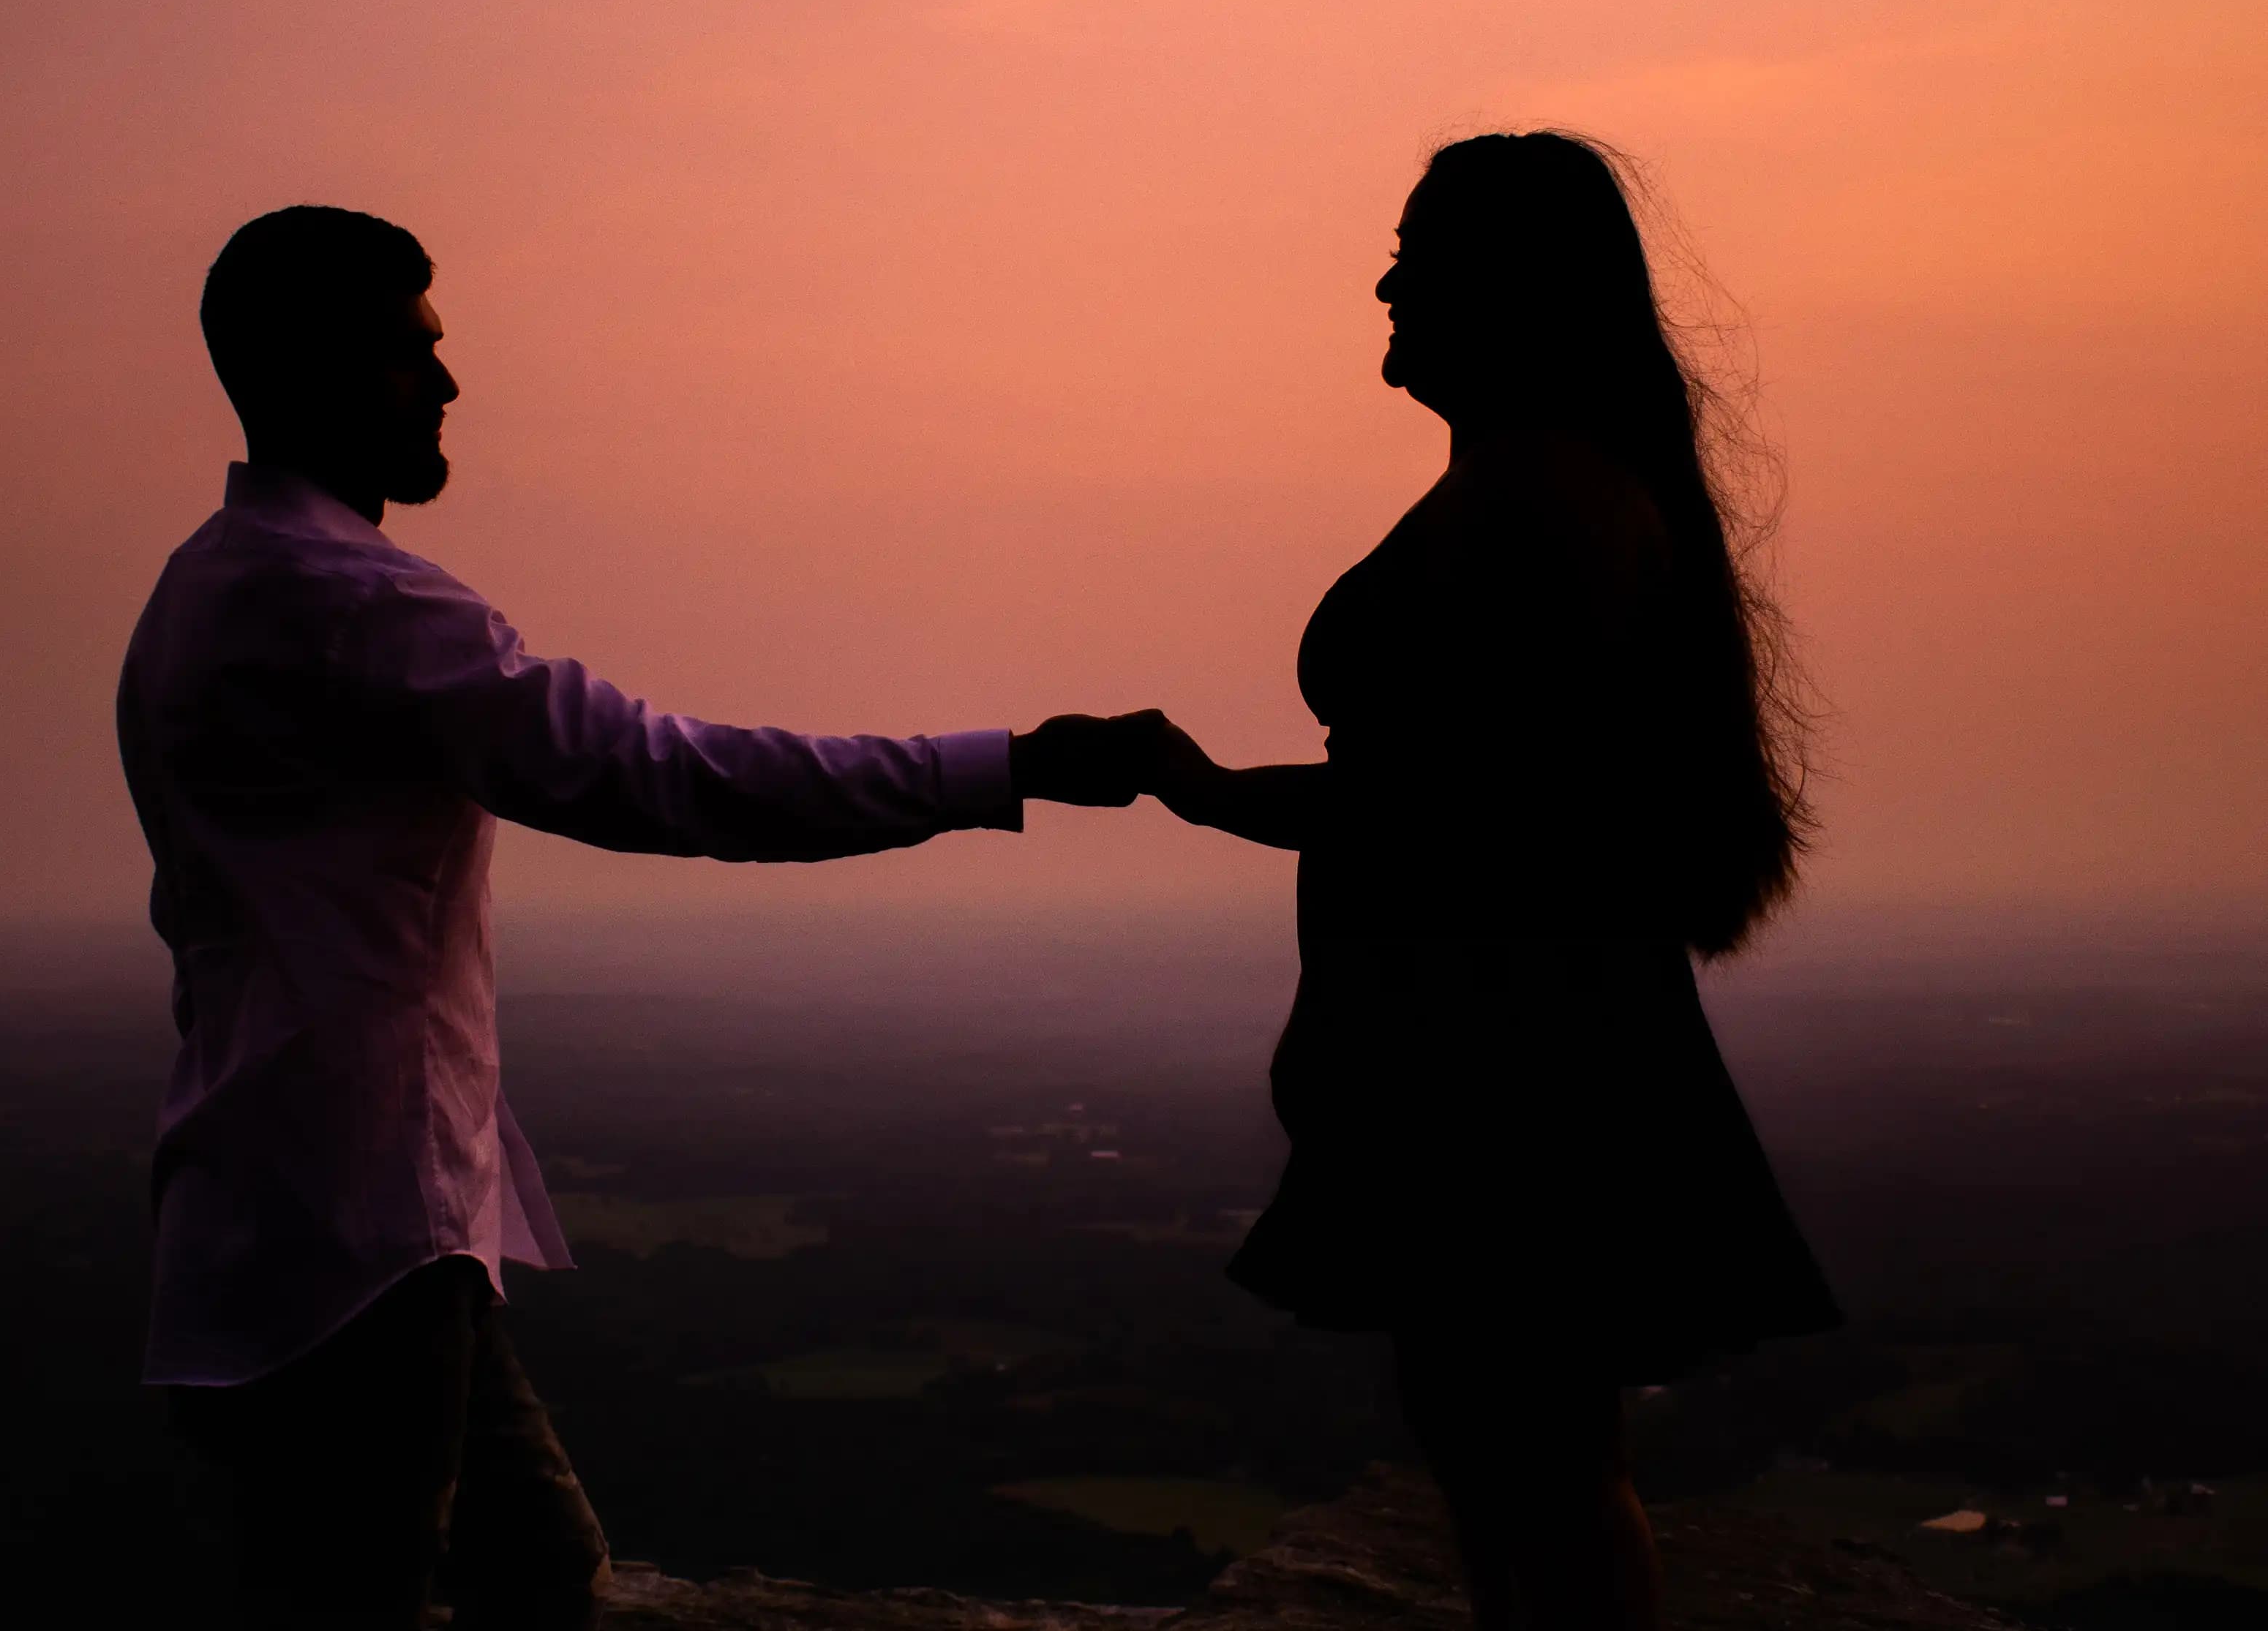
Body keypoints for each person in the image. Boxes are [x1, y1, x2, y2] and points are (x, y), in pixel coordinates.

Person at [116, 204, 1158, 1630]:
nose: (449, 382)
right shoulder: (355, 603)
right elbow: (670, 777)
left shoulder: (202, 588)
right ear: (317, 367)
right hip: (358, 1232)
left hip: (286, 1210)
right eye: (413, 348)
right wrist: (1011, 764)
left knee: (531, 1570)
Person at [1137, 133, 1843, 1631]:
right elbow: (1446, 794)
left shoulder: (1553, 503)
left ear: (1507, 291)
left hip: (1517, 1061)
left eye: (1420, 253)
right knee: (1505, 1443)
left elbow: (1475, 808)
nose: (1387, 282)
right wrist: (1209, 794)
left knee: (1531, 1452)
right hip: (1507, 1045)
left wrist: (1211, 795)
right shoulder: (1534, 490)